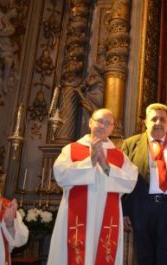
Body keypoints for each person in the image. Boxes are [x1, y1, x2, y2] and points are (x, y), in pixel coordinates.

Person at [47, 108, 138, 265]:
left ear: (112, 128)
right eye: (100, 121)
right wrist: (90, 161)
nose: (103, 126)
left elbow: (130, 181)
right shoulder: (71, 149)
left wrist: (105, 165)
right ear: (90, 122)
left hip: (108, 214)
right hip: (75, 214)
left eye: (108, 123)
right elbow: (61, 175)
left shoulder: (119, 155)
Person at [121, 103, 167, 265]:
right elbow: (123, 180)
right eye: (154, 119)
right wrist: (124, 211)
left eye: (162, 119)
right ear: (146, 122)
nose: (158, 122)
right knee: (144, 256)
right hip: (141, 208)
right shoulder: (130, 144)